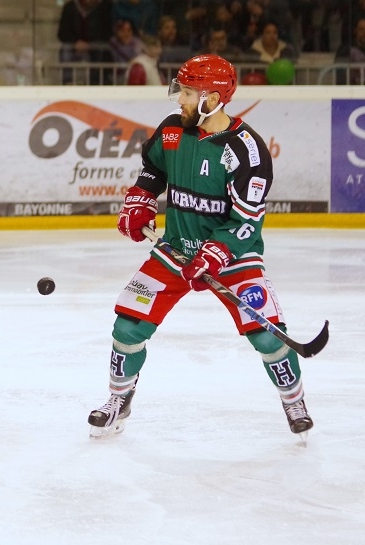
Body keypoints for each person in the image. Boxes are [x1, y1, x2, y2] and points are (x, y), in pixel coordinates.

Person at [87, 54, 313, 441]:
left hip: (232, 258)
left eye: (188, 93)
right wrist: (141, 198)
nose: (180, 100)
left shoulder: (248, 152)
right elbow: (153, 169)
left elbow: (246, 223)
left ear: (213, 98)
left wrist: (216, 252)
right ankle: (118, 400)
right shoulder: (173, 129)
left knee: (268, 336)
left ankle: (294, 400)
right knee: (127, 327)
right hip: (175, 249)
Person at [56, 0, 114, 84]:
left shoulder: (105, 7)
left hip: (94, 44)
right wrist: (75, 42)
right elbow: (62, 33)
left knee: (101, 48)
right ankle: (67, 82)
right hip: (74, 45)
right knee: (66, 49)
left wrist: (89, 43)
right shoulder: (69, 7)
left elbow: (107, 33)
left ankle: (94, 82)